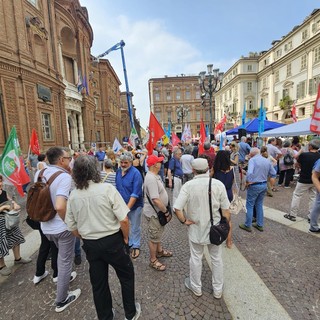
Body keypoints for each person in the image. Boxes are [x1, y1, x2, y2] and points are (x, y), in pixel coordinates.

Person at [65, 155, 141, 320]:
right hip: (112, 240)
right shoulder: (106, 189)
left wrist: (85, 237)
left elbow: (71, 226)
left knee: (98, 283)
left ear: (76, 173)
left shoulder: (73, 195)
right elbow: (124, 219)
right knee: (126, 275)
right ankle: (130, 313)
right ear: (95, 170)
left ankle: (105, 316)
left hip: (91, 244)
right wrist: (126, 238)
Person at [174, 158, 230, 299]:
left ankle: (196, 287)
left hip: (196, 229)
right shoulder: (218, 184)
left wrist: (184, 220)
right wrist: (225, 225)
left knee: (195, 258)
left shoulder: (188, 185)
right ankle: (217, 290)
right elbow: (226, 211)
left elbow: (177, 208)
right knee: (216, 259)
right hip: (216, 230)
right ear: (208, 168)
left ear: (193, 170)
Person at [34, 147, 81, 313]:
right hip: (61, 227)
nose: (69, 161)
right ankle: (62, 300)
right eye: (68, 158)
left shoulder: (39, 173)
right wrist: (69, 224)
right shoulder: (64, 177)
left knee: (60, 255)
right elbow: (60, 206)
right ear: (61, 160)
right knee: (65, 260)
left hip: (45, 225)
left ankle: (62, 276)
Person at [144, 154, 172, 272]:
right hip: (155, 213)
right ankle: (153, 260)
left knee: (158, 234)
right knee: (154, 236)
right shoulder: (150, 178)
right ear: (155, 165)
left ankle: (159, 252)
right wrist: (165, 211)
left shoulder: (154, 176)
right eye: (159, 162)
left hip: (157, 212)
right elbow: (155, 199)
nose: (161, 163)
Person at [0, 175, 32, 276]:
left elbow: (11, 201)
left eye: (0, 181)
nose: (0, 184)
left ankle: (17, 258)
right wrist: (5, 207)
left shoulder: (4, 192)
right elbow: (6, 205)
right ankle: (2, 266)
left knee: (16, 237)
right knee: (1, 243)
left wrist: (14, 205)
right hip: (0, 222)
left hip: (10, 220)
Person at [239, 148, 276, 232]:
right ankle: (259, 224)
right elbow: (273, 173)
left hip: (254, 185)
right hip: (263, 184)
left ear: (252, 154)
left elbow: (250, 173)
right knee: (259, 204)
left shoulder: (252, 160)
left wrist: (248, 181)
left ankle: (247, 225)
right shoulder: (266, 160)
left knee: (250, 205)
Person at [116, 152, 144, 260]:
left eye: (125, 162)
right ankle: (127, 242)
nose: (123, 164)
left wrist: (126, 209)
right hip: (122, 205)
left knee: (135, 226)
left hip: (135, 206)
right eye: (121, 162)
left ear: (131, 162)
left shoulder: (136, 174)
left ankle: (135, 245)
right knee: (123, 225)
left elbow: (135, 194)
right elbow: (117, 189)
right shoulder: (118, 171)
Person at [286, 139, 320, 222]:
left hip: (303, 179)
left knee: (297, 195)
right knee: (313, 198)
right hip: (315, 181)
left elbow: (297, 164)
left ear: (310, 146)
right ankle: (311, 217)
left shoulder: (304, 155)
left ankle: (293, 215)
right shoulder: (319, 156)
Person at [212, 150, 234, 248]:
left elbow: (208, 180)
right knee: (228, 218)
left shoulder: (215, 169)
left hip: (217, 194)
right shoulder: (233, 169)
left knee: (216, 215)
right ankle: (229, 242)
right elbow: (235, 184)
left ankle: (217, 235)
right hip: (228, 193)